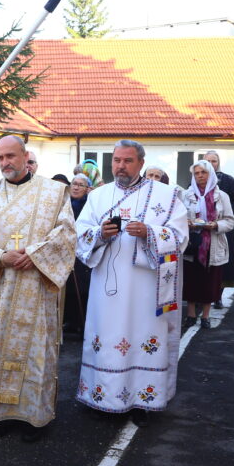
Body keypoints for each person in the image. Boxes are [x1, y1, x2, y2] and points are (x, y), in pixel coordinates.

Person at [0, 135, 76, 442]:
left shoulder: (54, 192)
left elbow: (67, 234)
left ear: (25, 155)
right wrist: (0, 256)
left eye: (10, 156)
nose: (5, 163)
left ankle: (35, 417)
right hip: (4, 286)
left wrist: (36, 254)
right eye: (0, 157)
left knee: (37, 352)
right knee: (0, 349)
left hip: (38, 290)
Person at [75, 139, 188, 427]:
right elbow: (78, 234)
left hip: (145, 287)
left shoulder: (166, 195)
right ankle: (101, 396)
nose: (120, 166)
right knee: (106, 335)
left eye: (127, 160)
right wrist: (99, 234)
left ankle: (142, 399)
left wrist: (149, 233)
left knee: (143, 336)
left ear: (140, 163)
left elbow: (180, 237)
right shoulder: (98, 196)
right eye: (116, 160)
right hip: (107, 288)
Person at [180, 160, 234, 330]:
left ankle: (205, 316)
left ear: (211, 174)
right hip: (192, 244)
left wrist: (215, 225)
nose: (200, 176)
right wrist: (186, 223)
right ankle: (190, 315)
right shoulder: (186, 195)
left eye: (203, 172)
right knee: (190, 281)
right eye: (196, 173)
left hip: (213, 244)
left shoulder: (222, 196)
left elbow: (230, 221)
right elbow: (177, 218)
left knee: (210, 282)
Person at [203, 151, 234, 295]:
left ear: (218, 163)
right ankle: (203, 293)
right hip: (202, 228)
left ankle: (218, 294)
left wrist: (223, 213)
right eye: (208, 161)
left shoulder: (228, 180)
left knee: (224, 261)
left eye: (214, 161)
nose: (211, 164)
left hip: (224, 228)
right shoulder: (197, 180)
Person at [64, 174, 93, 334]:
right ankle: (70, 320)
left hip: (83, 252)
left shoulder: (89, 205)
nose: (75, 187)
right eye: (74, 184)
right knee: (68, 288)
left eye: (80, 185)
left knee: (82, 287)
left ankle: (82, 322)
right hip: (66, 251)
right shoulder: (64, 204)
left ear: (87, 189)